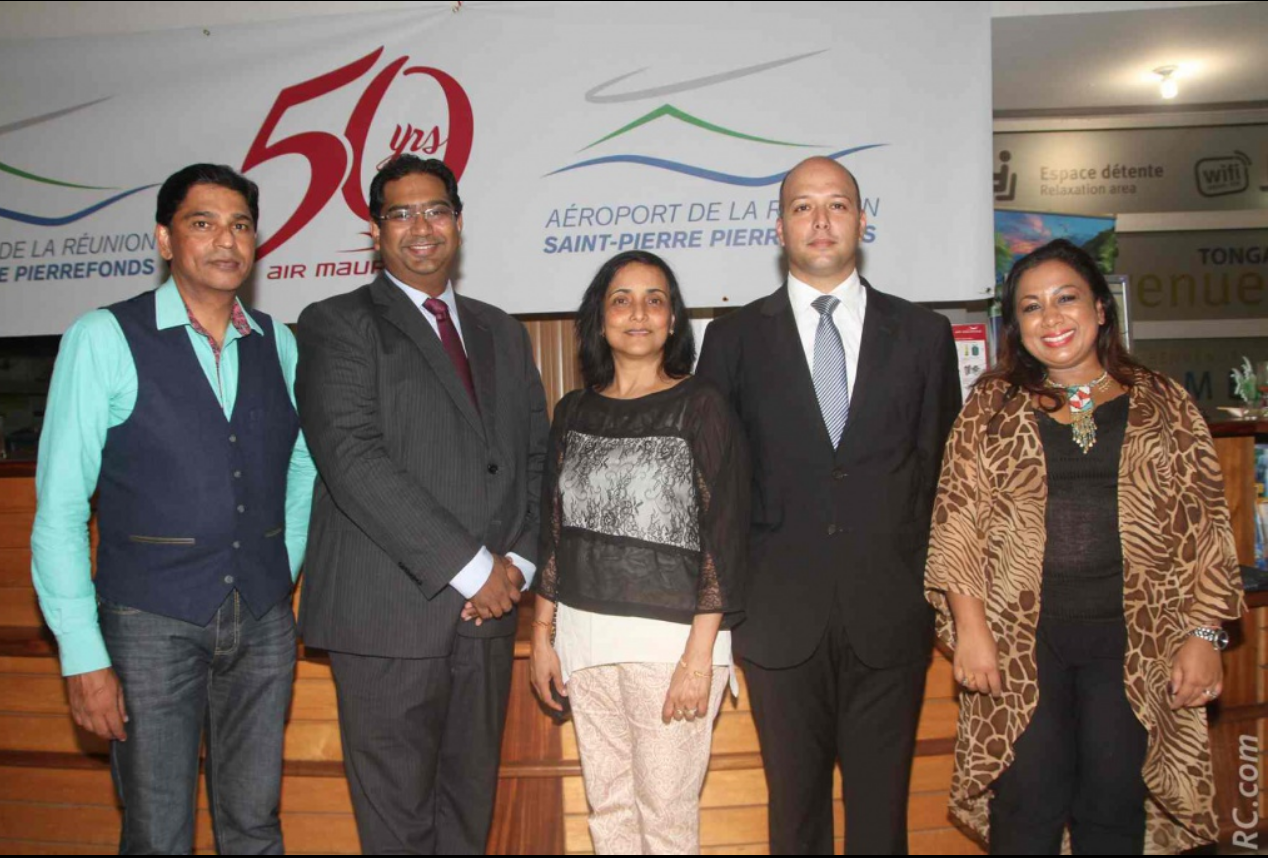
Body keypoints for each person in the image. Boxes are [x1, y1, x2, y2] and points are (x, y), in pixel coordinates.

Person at [925, 238, 1245, 855]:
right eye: (1031, 306)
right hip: (1021, 643)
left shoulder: (1164, 403)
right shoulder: (991, 407)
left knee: (1113, 806)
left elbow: (1207, 526)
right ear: (1016, 327)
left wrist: (1205, 636)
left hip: (1137, 641)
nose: (1051, 317)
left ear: (1100, 308)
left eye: (1066, 298)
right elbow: (957, 522)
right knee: (1027, 805)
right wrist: (970, 628)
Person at [29, 163, 315, 854]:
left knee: (255, 827)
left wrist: (277, 571)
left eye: (240, 225)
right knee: (158, 834)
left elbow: (303, 466)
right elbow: (60, 506)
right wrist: (82, 654)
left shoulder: (279, 342)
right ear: (164, 239)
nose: (226, 240)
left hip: (263, 623)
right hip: (148, 625)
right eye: (202, 223)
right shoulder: (103, 336)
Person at [696, 156, 962, 854]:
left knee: (882, 818)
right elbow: (713, 487)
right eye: (803, 207)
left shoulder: (923, 334)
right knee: (795, 817)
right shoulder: (731, 338)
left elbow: (942, 477)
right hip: (778, 618)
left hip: (891, 611)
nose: (820, 220)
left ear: (862, 220)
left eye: (837, 204)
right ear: (779, 227)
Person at [295, 155, 548, 855]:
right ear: (375, 232)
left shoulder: (502, 331)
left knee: (467, 816)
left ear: (458, 223)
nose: (421, 227)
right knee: (398, 828)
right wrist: (473, 568)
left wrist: (519, 564)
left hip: (490, 616)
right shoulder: (336, 323)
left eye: (435, 210)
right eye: (400, 214)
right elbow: (353, 459)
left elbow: (536, 456)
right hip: (387, 619)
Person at [529, 249, 748, 855]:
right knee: (610, 813)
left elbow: (724, 538)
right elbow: (554, 532)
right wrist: (543, 637)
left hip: (672, 647)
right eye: (621, 300)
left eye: (655, 300)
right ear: (600, 319)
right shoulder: (573, 411)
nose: (638, 313)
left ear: (673, 320)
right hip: (586, 642)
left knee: (666, 818)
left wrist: (698, 658)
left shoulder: (702, 405)